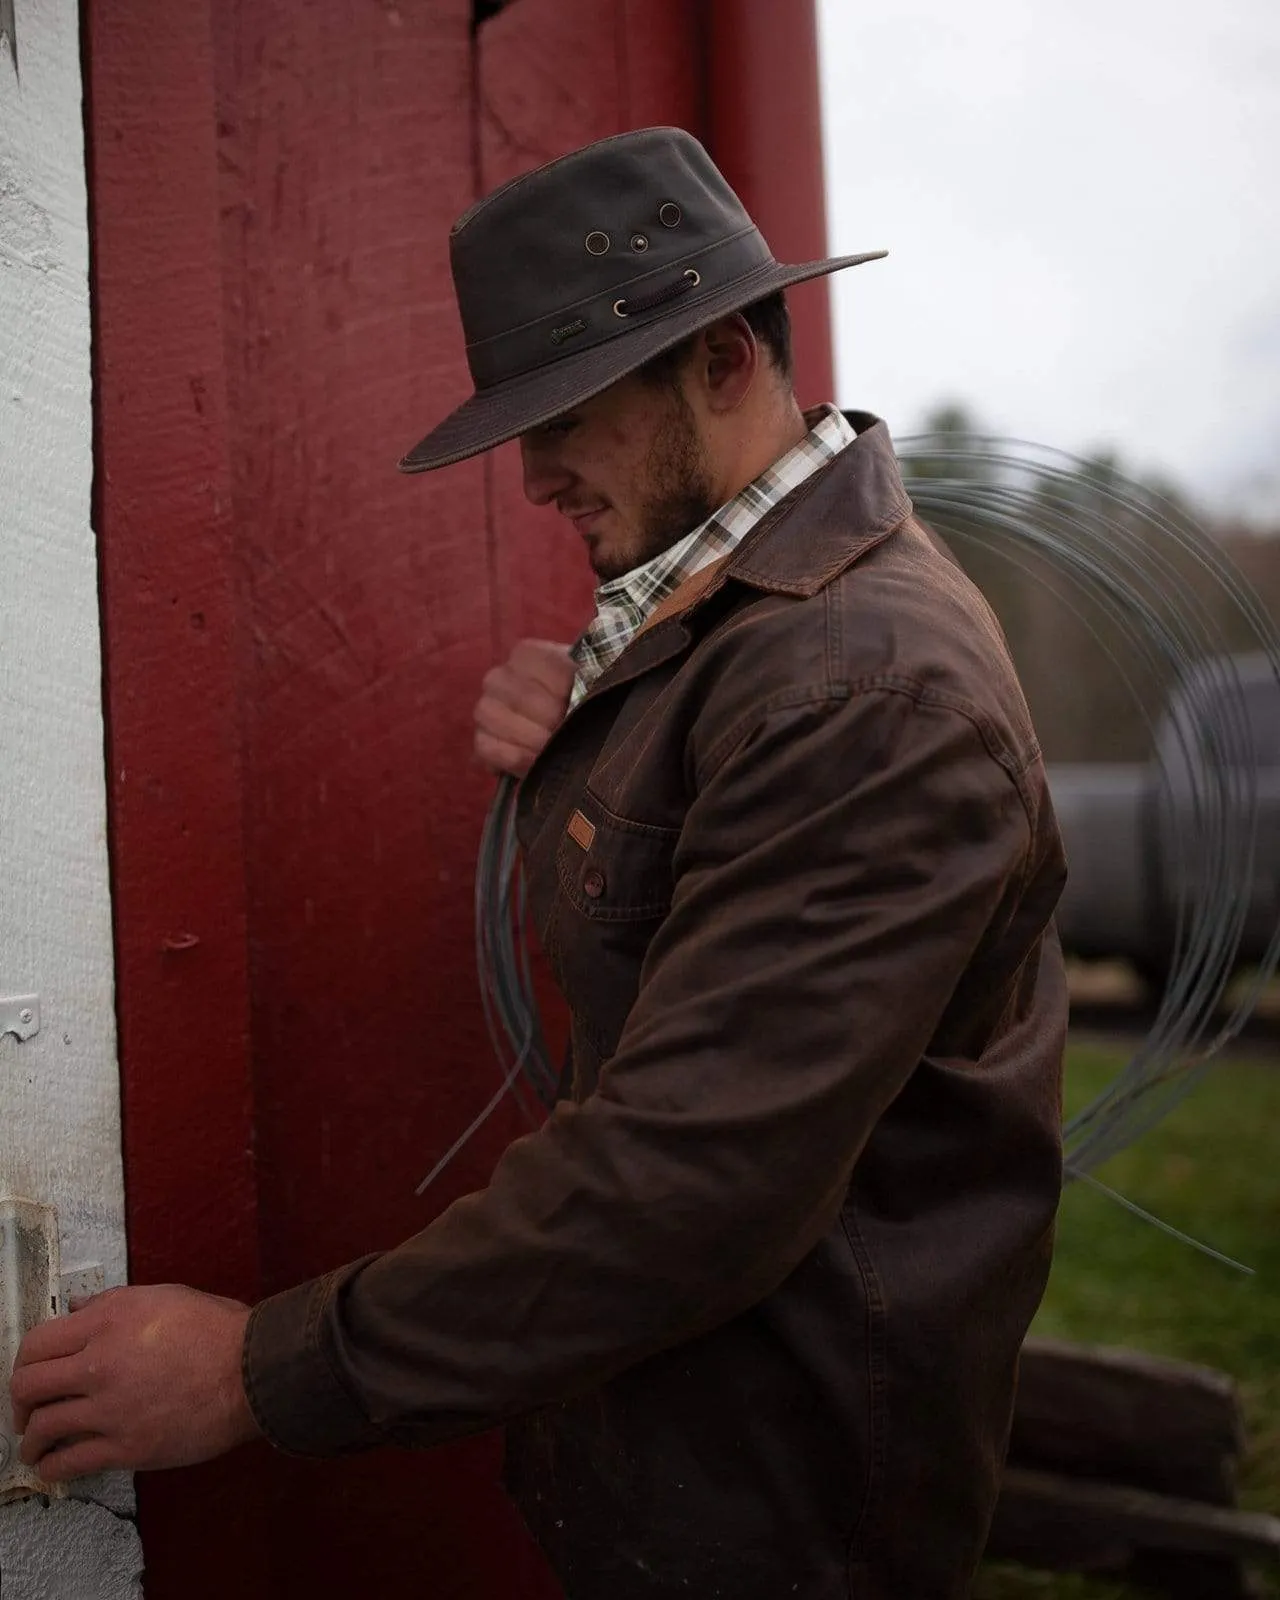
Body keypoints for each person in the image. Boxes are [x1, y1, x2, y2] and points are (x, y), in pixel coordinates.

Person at [10, 127, 1068, 1598]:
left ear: (721, 363)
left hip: (787, 1508)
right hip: (687, 1450)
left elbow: (692, 1183)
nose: (536, 475)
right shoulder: (743, 631)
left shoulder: (863, 689)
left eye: (569, 412)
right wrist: (594, 718)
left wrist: (255, 1372)